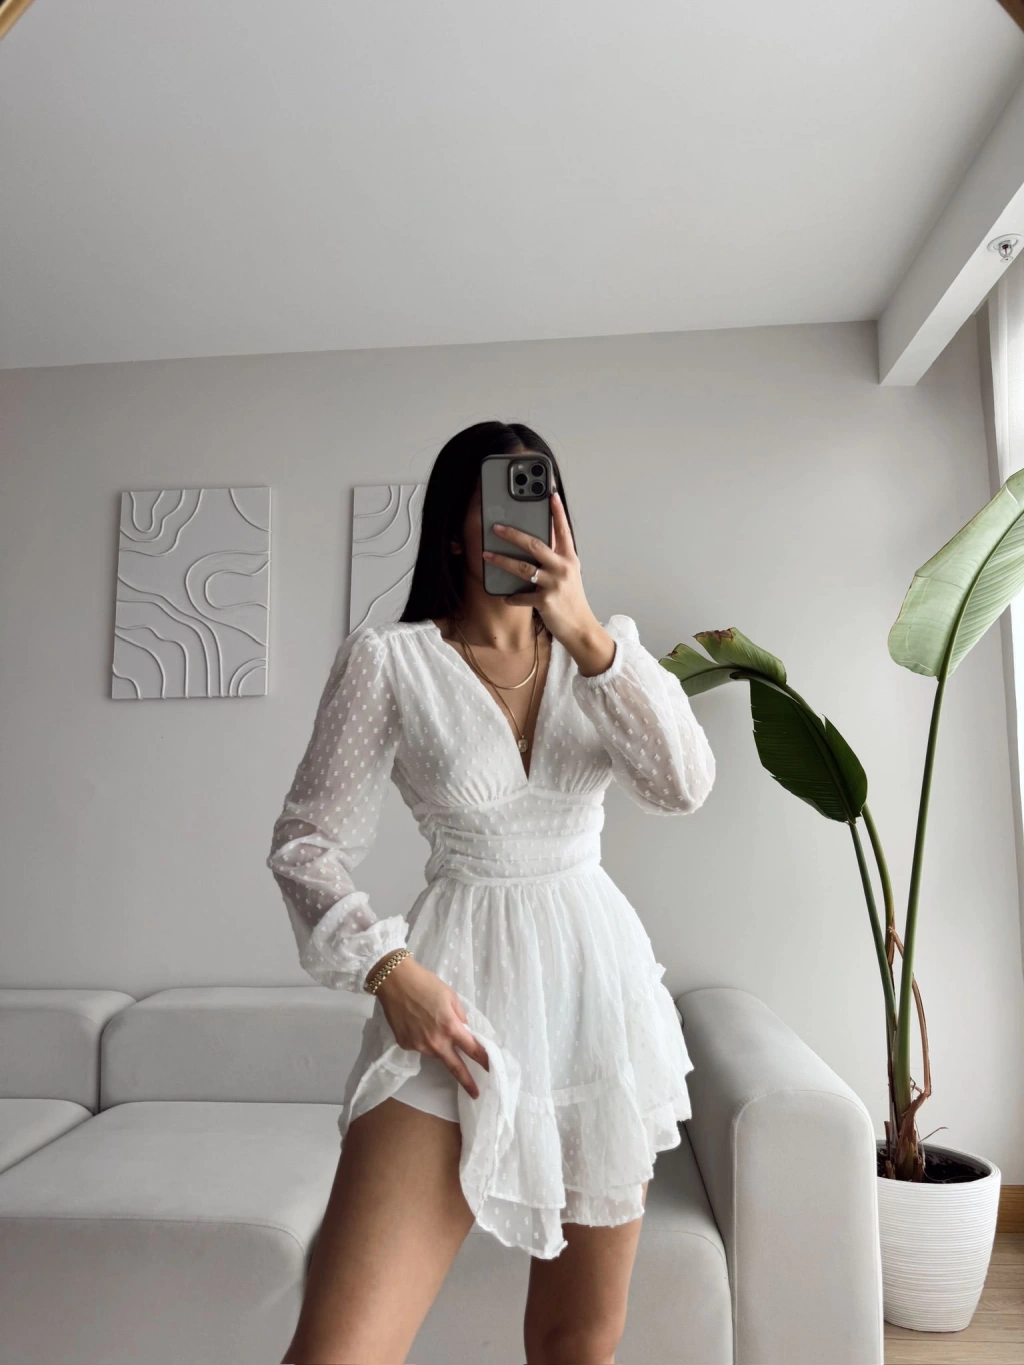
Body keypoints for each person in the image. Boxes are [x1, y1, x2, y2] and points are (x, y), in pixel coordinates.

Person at [267, 420, 716, 1365]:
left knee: (575, 1341)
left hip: (597, 1004)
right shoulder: (390, 661)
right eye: (499, 502)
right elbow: (306, 842)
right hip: (452, 1010)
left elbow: (684, 783)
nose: (524, 521)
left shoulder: (606, 653)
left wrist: (585, 631)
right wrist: (390, 972)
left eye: (539, 496)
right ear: (453, 531)